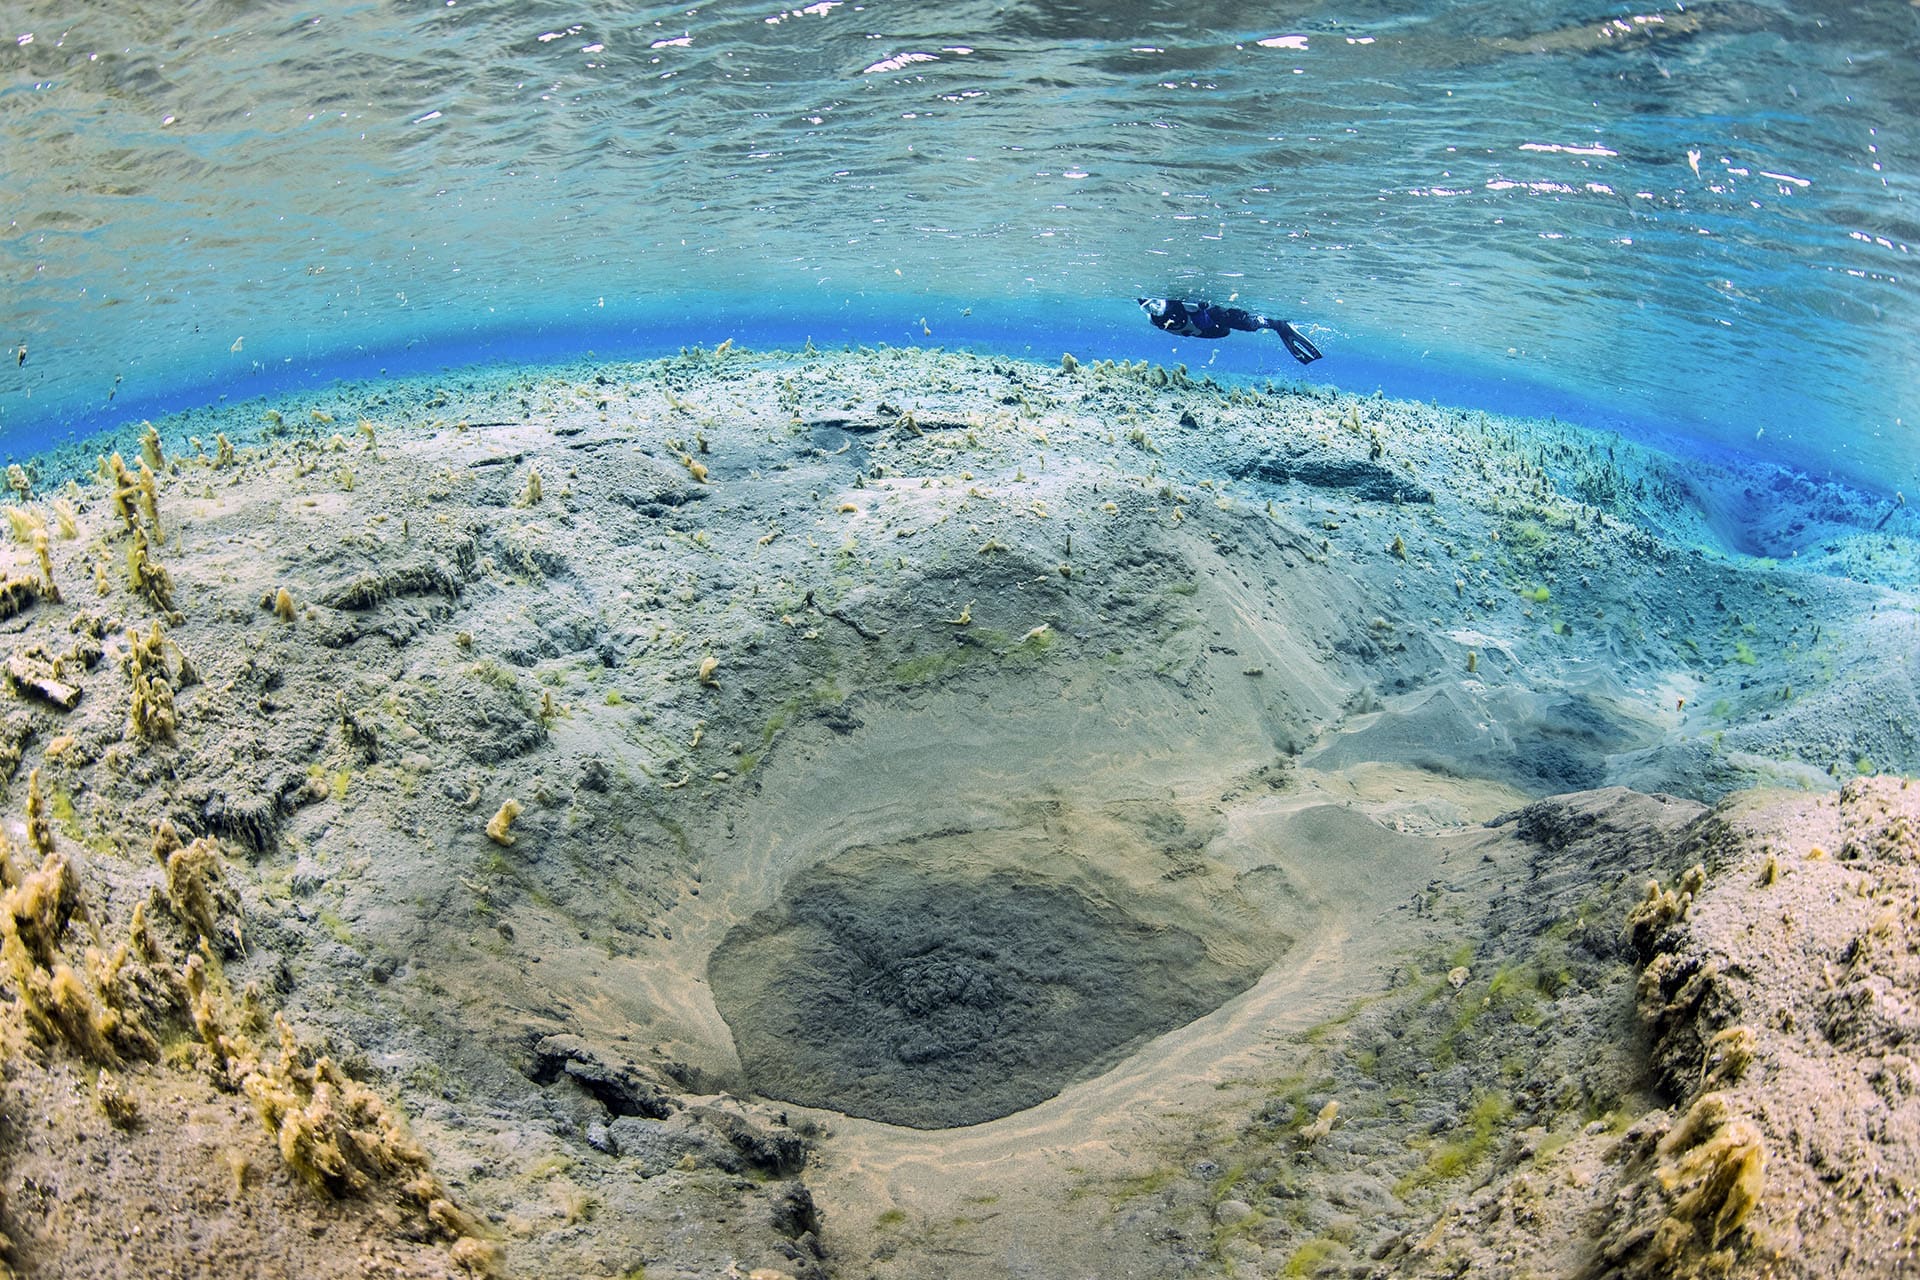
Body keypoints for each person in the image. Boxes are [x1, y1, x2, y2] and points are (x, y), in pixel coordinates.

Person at [1138, 298, 1322, 364]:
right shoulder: (1153, 320)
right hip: (1208, 333)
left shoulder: (1182, 304)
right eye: (1148, 308)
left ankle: (1273, 324)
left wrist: (1203, 306)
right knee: (1218, 316)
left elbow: (1202, 306)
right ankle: (1273, 325)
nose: (1154, 309)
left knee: (1219, 313)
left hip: (1211, 326)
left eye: (1155, 304)